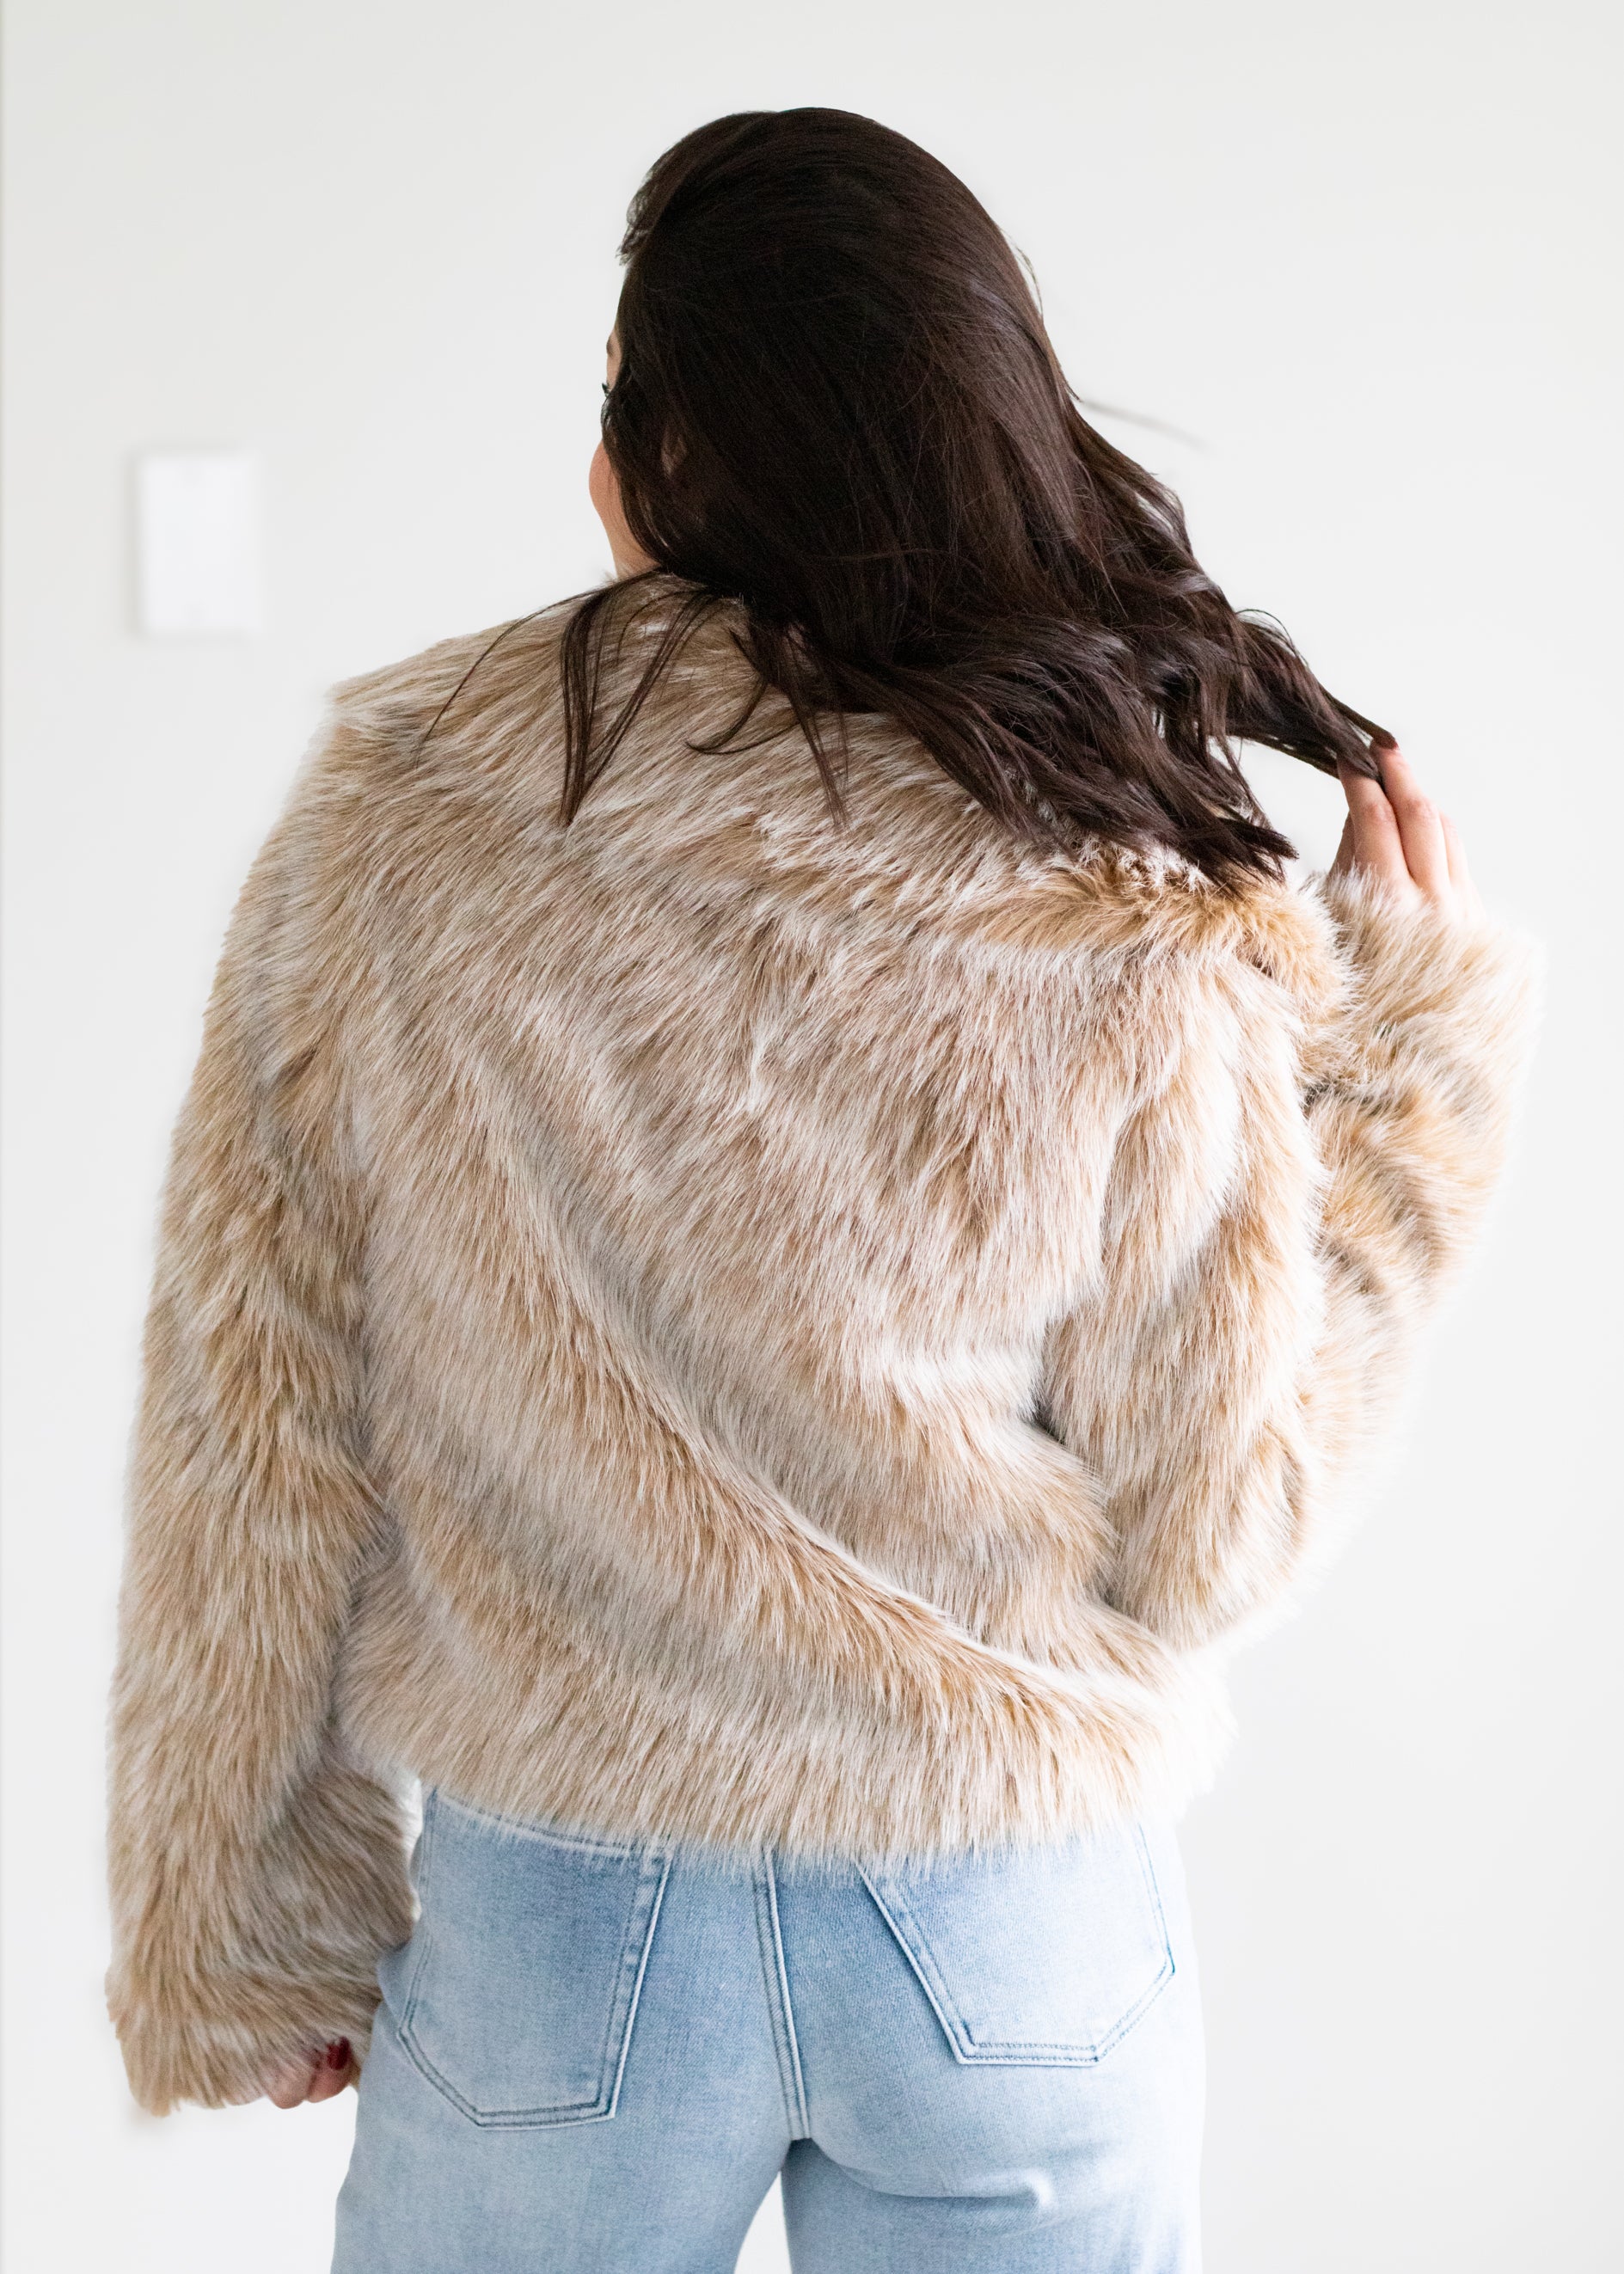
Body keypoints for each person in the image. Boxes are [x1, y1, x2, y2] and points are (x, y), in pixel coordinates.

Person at [106, 108, 1535, 2273]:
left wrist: (236, 1910)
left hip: (564, 1931)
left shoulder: (401, 823)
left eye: (620, 397)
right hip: (1008, 1936)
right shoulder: (1129, 868)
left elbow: (253, 1399)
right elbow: (1211, 1529)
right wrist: (1411, 1079)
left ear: (679, 461)